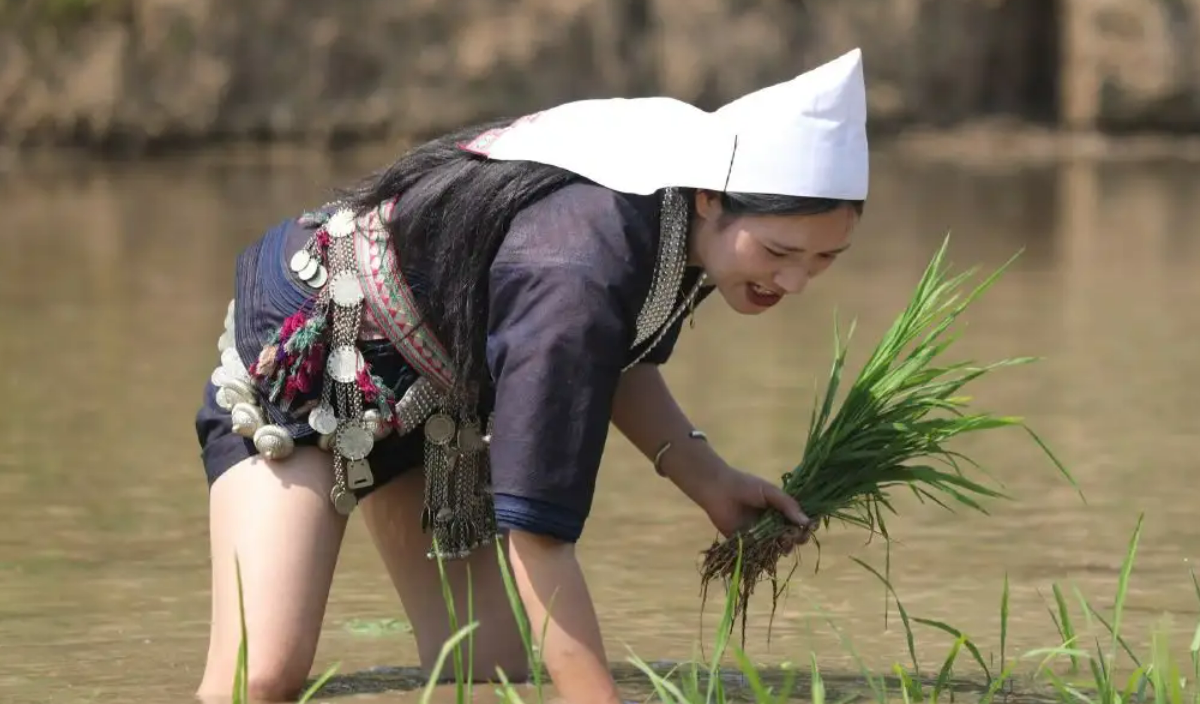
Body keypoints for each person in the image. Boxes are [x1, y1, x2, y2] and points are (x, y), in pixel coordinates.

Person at [192, 48, 869, 703]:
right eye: (780, 251)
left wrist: (711, 481)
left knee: (488, 676)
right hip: (312, 350)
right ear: (711, 199)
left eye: (825, 258)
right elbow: (539, 536)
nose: (795, 281)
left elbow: (612, 356)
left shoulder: (677, 216)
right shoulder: (577, 265)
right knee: (259, 680)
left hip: (437, 396)